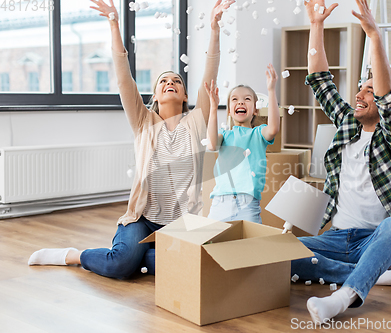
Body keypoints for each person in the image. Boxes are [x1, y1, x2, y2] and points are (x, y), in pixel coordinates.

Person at [27, 0, 235, 279]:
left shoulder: (196, 121)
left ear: (186, 95)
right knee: (120, 266)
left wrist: (214, 28)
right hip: (142, 219)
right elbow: (124, 79)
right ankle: (74, 255)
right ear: (155, 95)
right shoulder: (143, 121)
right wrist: (114, 23)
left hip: (183, 223)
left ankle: (137, 254)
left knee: (200, 262)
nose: (170, 82)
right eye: (163, 81)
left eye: (177, 81)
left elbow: (211, 75)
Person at [290, 0, 391, 323]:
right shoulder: (348, 124)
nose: (359, 96)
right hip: (335, 236)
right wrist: (316, 26)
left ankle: (342, 298)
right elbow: (320, 81)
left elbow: (389, 105)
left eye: (369, 90)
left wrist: (374, 37)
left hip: (374, 239)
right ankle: (370, 275)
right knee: (278, 253)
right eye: (360, 89)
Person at [204, 64, 280, 224]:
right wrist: (213, 107)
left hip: (248, 204)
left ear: (255, 110)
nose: (241, 102)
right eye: (235, 99)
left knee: (250, 246)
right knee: (211, 245)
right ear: (230, 111)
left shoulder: (258, 133)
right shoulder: (224, 135)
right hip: (221, 202)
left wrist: (271, 91)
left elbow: (273, 129)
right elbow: (211, 144)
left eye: (247, 99)